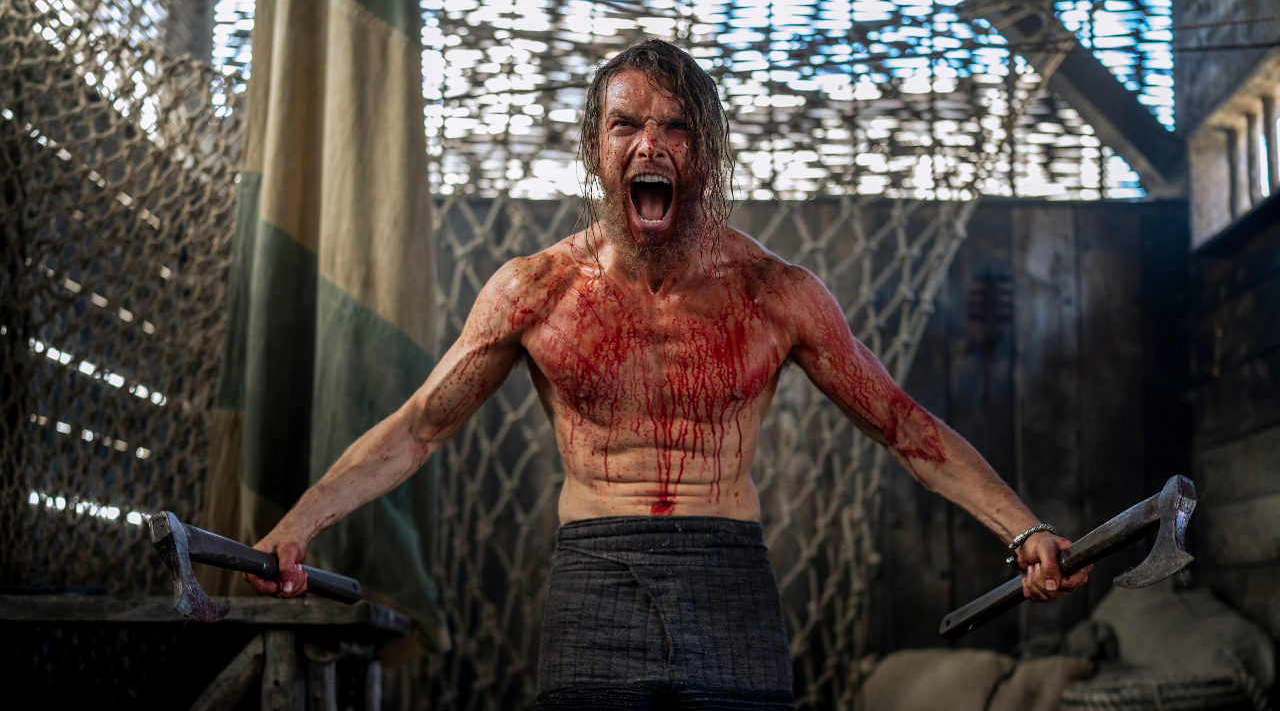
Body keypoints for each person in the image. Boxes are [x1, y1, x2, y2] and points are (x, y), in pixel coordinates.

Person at [244, 38, 1090, 708]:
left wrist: (1024, 530)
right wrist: (296, 527)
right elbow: (419, 427)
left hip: (728, 578)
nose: (650, 143)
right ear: (596, 148)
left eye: (676, 127)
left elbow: (903, 426)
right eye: (626, 125)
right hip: (595, 574)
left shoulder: (776, 293)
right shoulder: (535, 291)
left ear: (708, 153)